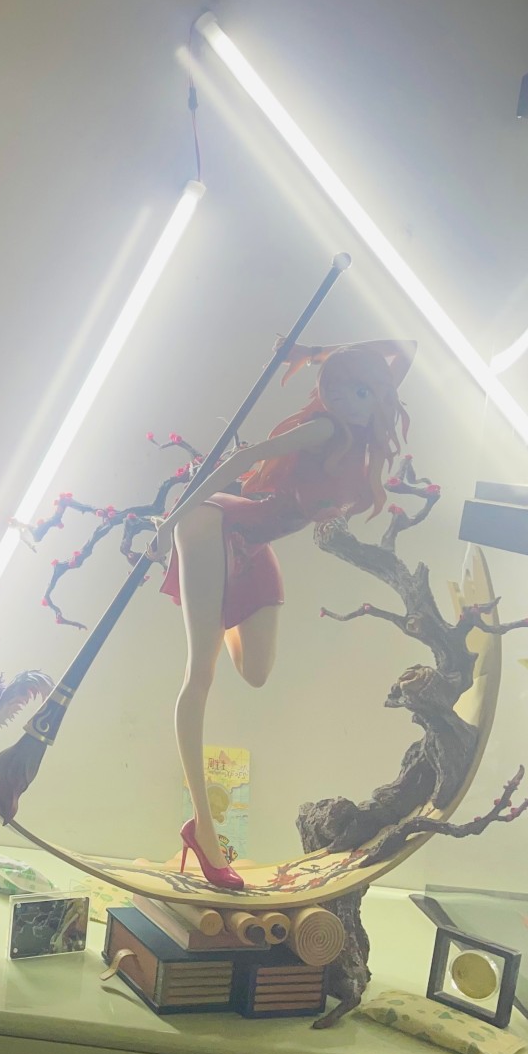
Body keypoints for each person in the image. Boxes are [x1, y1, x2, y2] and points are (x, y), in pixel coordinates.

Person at [150, 340, 415, 889]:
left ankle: (216, 607)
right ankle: (202, 829)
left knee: (256, 671)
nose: (357, 401)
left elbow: (406, 350)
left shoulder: (357, 438)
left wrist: (323, 351)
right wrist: (170, 521)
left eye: (366, 392)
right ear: (330, 392)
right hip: (212, 525)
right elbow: (241, 461)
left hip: (252, 544)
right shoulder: (324, 428)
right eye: (346, 390)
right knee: (200, 674)